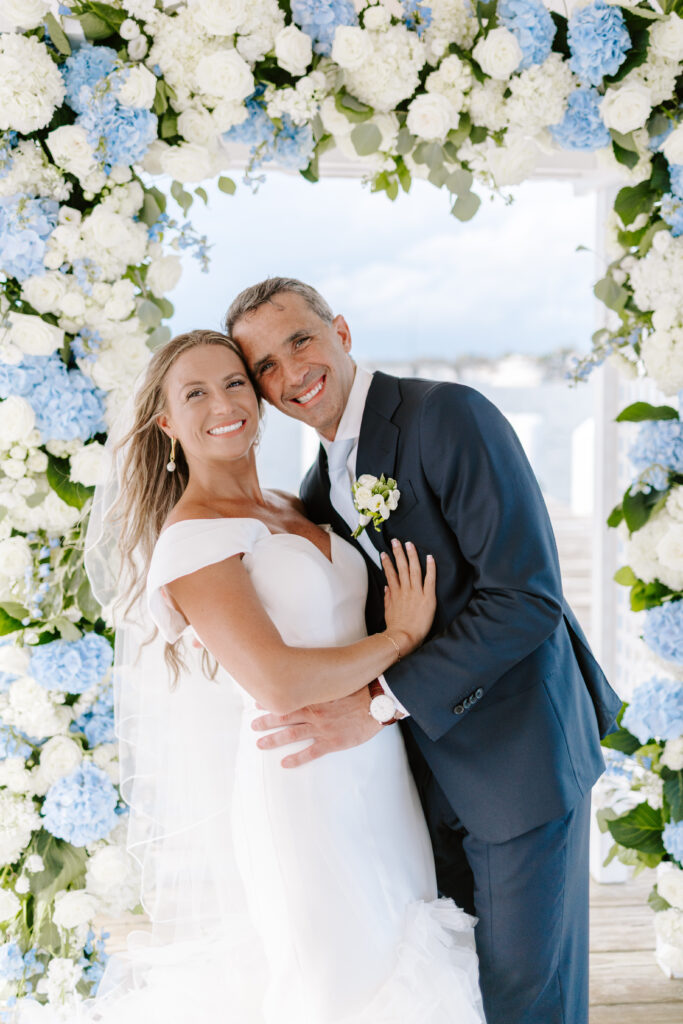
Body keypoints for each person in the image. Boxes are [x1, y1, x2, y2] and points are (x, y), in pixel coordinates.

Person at [226, 277, 624, 1024]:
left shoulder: (446, 417)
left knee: (524, 1002)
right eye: (264, 368)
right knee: (455, 991)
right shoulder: (316, 489)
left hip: (516, 765)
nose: (289, 374)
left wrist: (376, 705)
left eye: (299, 341)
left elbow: (525, 597)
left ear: (341, 331)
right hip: (418, 786)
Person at [83, 328, 485, 1024]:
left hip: (378, 768)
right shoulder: (193, 537)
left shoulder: (295, 505)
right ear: (167, 423)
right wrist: (401, 638)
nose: (223, 403)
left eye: (235, 382)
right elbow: (277, 682)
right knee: (334, 979)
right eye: (196, 393)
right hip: (301, 785)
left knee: (407, 962)